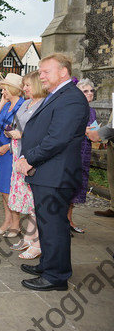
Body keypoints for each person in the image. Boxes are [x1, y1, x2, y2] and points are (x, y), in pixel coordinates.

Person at [16, 53, 89, 292]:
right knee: (47, 224)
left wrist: (29, 159)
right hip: (48, 173)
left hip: (56, 174)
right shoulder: (58, 94)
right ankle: (48, 264)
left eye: (46, 71)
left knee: (55, 226)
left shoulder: (72, 98)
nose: (41, 76)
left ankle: (56, 277)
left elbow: (57, 138)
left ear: (63, 72)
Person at [7, 71, 46, 260]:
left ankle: (36, 241)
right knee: (27, 201)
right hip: (18, 155)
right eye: (24, 85)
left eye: (28, 85)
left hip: (31, 157)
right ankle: (29, 237)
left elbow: (41, 133)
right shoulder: (26, 103)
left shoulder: (44, 104)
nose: (25, 89)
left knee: (34, 201)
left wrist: (21, 135)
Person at [0, 73, 25, 238]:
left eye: (4, 89)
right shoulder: (6, 105)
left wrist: (8, 147)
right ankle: (7, 221)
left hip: (13, 152)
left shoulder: (23, 106)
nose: (2, 91)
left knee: (11, 190)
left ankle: (15, 225)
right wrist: (2, 102)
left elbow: (26, 133)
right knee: (3, 190)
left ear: (13, 89)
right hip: (2, 153)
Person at [67, 79, 96, 233]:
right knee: (69, 185)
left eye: (91, 90)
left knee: (78, 186)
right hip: (74, 151)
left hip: (86, 151)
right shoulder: (74, 109)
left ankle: (70, 219)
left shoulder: (92, 111)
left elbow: (95, 131)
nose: (90, 93)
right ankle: (63, 221)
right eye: (85, 91)